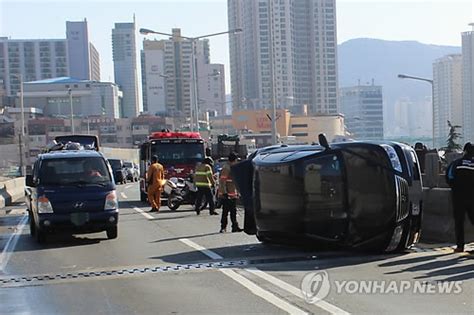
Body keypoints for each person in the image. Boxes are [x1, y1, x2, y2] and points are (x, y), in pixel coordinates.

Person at [445, 142, 474, 253]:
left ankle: (460, 247)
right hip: (472, 197)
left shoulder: (456, 163)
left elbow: (449, 177)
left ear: (465, 151)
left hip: (458, 197)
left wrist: (456, 188)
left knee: (459, 221)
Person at [219, 152, 243, 233]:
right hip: (227, 194)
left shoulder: (233, 168)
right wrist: (224, 192)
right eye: (236, 160)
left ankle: (235, 226)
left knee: (233, 211)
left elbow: (234, 182)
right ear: (234, 160)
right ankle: (223, 227)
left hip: (232, 194)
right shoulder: (226, 168)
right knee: (225, 211)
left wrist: (238, 193)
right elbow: (222, 181)